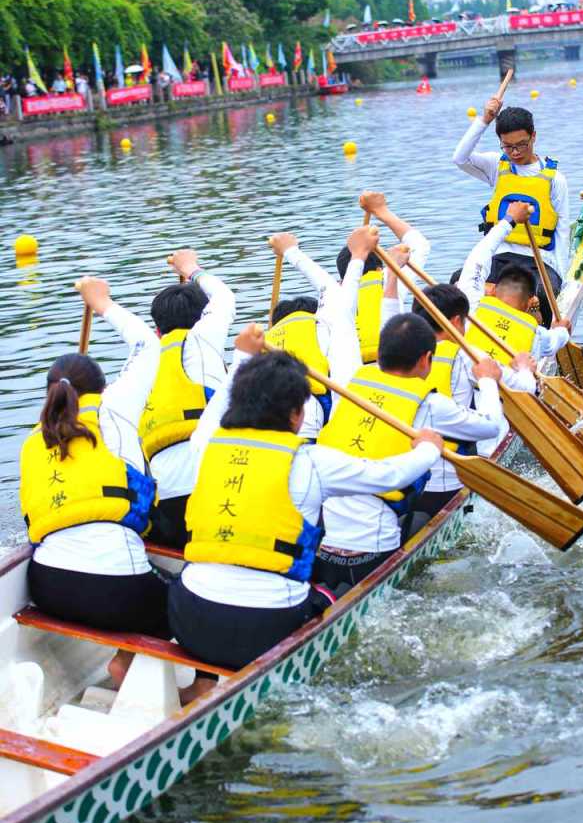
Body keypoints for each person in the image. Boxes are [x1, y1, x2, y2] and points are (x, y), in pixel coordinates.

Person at [167, 331, 443, 685]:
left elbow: (217, 407)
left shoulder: (206, 443)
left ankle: (203, 683)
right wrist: (428, 448)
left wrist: (242, 357)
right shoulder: (311, 460)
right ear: (296, 413)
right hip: (266, 628)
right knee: (334, 592)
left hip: (188, 617)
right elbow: (388, 475)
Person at [19, 277, 165, 682]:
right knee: (187, 602)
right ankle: (126, 663)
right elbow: (148, 345)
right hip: (115, 590)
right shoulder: (115, 408)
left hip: (46, 585)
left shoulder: (34, 439)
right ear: (101, 389)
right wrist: (101, 303)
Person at [314, 313, 503, 593]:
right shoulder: (431, 404)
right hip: (373, 554)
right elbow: (491, 426)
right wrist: (487, 380)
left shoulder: (353, 388)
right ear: (426, 359)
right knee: (422, 520)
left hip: (322, 549)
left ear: (379, 355)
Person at [140, 249, 235, 549]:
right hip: (214, 486)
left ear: (157, 331)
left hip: (165, 503)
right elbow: (224, 297)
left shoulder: (140, 366)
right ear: (202, 319)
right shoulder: (201, 338)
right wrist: (191, 268)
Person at [452, 97, 570, 326]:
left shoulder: (555, 179)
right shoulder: (497, 165)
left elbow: (562, 231)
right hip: (499, 257)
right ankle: (467, 336)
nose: (515, 152)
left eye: (521, 144)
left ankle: (541, 341)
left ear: (533, 136)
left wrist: (561, 278)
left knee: (543, 294)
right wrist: (484, 120)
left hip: (538, 261)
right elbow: (460, 158)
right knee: (458, 282)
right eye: (507, 146)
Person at [265, 227, 375, 438]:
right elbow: (333, 293)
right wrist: (358, 255)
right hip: (319, 424)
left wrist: (290, 251)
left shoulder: (260, 345)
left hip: (261, 430)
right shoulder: (324, 329)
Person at [456, 203, 572, 366]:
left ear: (492, 290)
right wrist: (561, 330)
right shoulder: (535, 334)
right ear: (530, 303)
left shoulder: (471, 305)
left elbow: (478, 257)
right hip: (504, 380)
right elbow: (555, 340)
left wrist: (509, 219)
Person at [336, 191, 430, 364]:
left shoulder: (334, 294)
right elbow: (420, 245)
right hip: (393, 366)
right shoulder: (387, 277)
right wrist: (380, 211)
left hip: (351, 372)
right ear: (380, 268)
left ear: (341, 280)